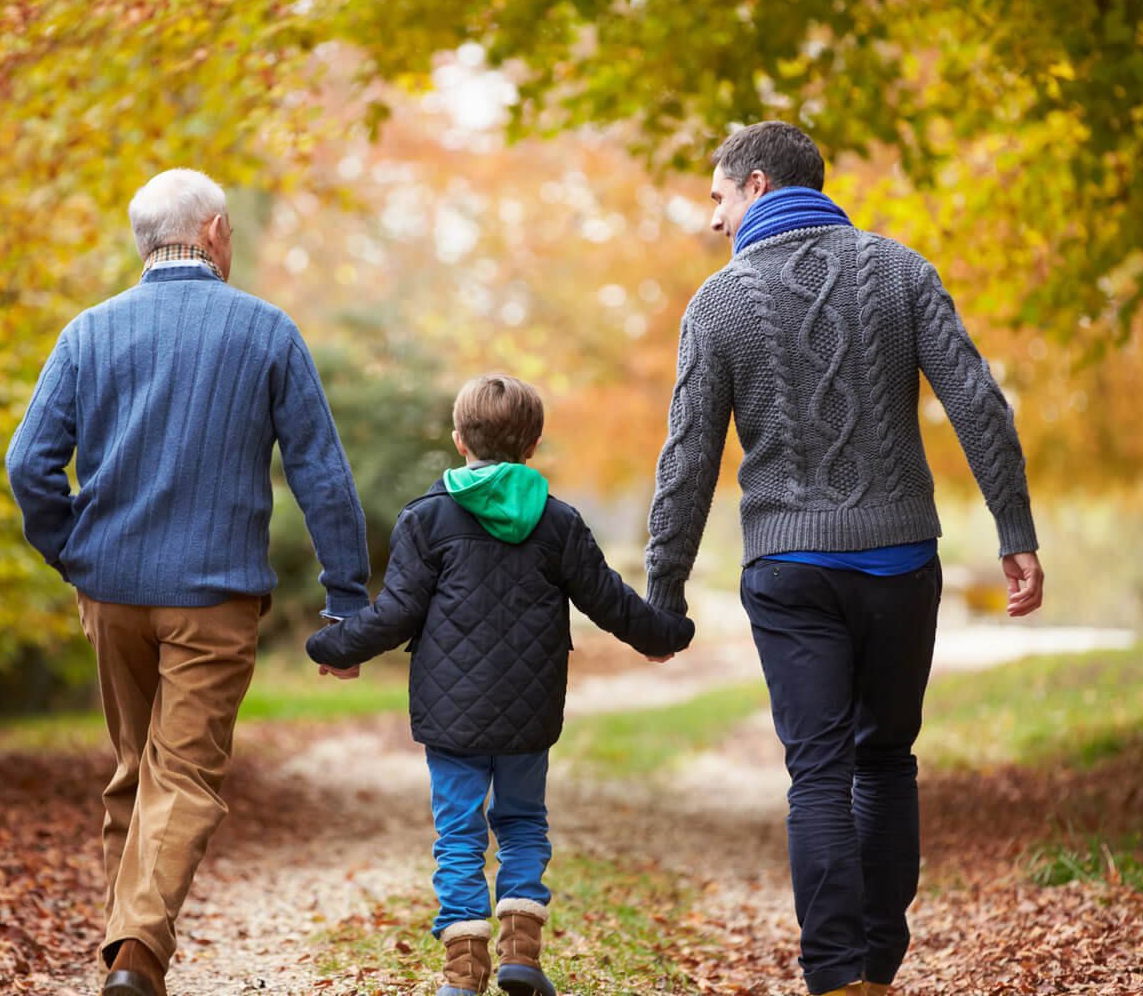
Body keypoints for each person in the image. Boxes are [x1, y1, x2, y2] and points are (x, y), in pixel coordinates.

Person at [643, 121, 1045, 996]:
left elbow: (688, 457)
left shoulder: (721, 301)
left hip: (789, 568)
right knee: (886, 758)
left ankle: (837, 978)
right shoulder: (901, 271)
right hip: (901, 559)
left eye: (716, 197)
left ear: (755, 184)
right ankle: (878, 964)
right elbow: (978, 402)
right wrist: (1014, 533)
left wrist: (663, 590)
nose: (714, 220)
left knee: (817, 771)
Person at [5, 168, 371, 996]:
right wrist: (346, 601)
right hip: (213, 597)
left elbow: (28, 464)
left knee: (137, 770)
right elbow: (321, 474)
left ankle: (127, 964)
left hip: (111, 593)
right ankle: (134, 955)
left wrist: (75, 552)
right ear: (211, 232)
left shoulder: (88, 334)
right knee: (184, 779)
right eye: (232, 231)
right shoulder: (266, 331)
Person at [307, 372, 694, 996]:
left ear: (459, 440)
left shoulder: (427, 520)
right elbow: (610, 601)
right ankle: (520, 952)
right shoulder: (558, 523)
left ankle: (463, 972)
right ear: (533, 445)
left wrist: (333, 646)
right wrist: (662, 635)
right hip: (528, 710)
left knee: (458, 832)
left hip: (449, 711)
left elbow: (397, 611)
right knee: (521, 823)